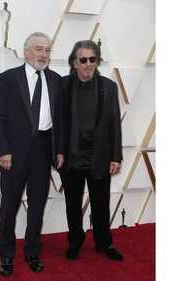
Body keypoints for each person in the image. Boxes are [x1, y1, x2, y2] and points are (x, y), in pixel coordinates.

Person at [0, 32, 64, 276]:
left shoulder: (55, 80)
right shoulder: (7, 79)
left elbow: (59, 120)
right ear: (26, 52)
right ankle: (6, 256)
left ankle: (32, 252)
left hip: (43, 149)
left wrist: (59, 150)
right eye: (39, 49)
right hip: (14, 152)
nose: (44, 55)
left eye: (47, 50)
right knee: (8, 207)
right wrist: (3, 151)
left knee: (37, 206)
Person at [59, 40, 123, 262]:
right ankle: (75, 242)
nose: (88, 64)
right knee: (72, 205)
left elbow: (115, 123)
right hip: (72, 157)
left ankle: (104, 243)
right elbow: (57, 123)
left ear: (97, 61)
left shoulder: (109, 86)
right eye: (83, 60)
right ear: (74, 62)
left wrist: (116, 156)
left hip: (99, 157)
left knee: (101, 204)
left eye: (92, 59)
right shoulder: (63, 85)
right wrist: (58, 152)